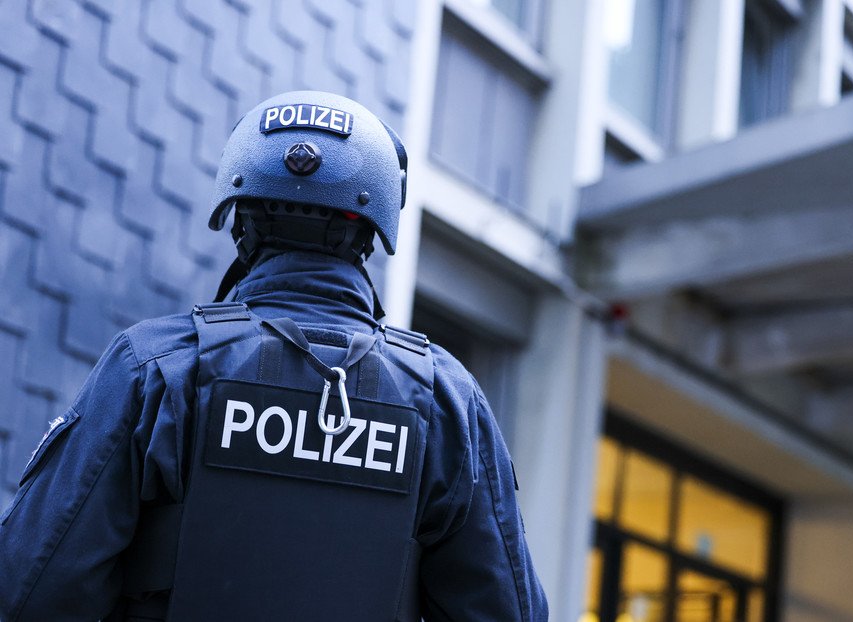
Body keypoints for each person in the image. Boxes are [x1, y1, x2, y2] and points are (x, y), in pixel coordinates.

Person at [0, 91, 549, 621]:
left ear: (241, 220)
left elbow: (29, 589)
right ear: (372, 230)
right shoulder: (447, 399)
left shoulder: (155, 367)